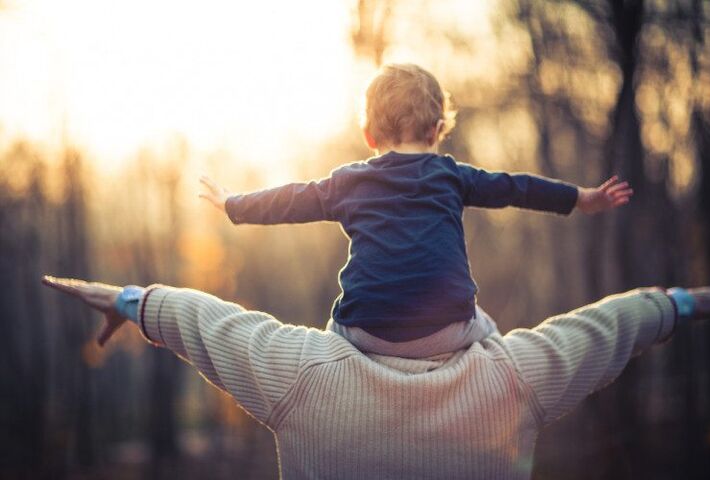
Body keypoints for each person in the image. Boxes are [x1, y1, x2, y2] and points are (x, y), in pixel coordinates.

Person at [41, 275, 710, 479]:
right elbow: (608, 328)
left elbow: (205, 321)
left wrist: (131, 303)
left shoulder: (305, 375)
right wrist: (683, 304)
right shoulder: (510, 378)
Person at [198, 63, 633, 357]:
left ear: (369, 135)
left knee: (330, 337)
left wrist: (233, 204)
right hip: (448, 327)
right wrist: (579, 197)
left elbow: (291, 199)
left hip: (364, 330)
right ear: (437, 129)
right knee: (495, 337)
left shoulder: (348, 181)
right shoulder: (449, 175)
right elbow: (515, 187)